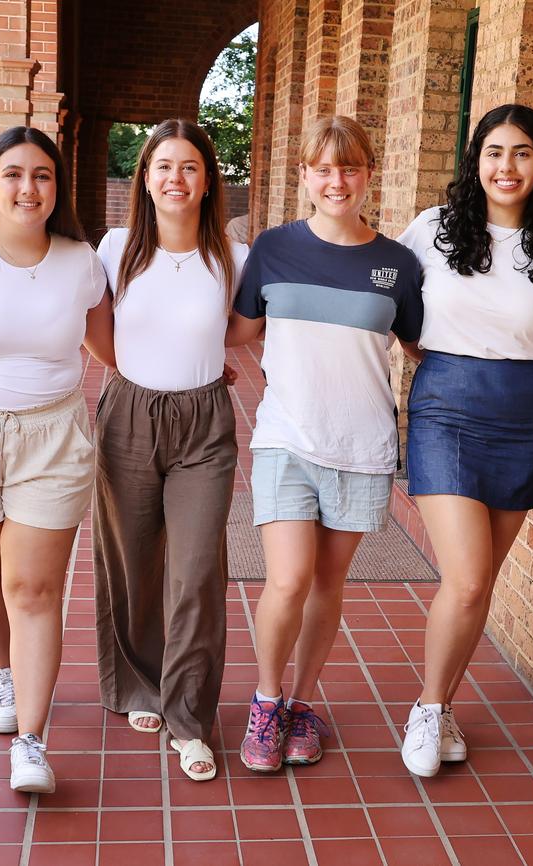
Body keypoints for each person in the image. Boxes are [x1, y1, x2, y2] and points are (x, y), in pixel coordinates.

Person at [226, 115, 423, 771]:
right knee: (286, 580)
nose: (336, 180)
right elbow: (238, 330)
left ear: (369, 173)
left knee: (328, 585)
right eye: (323, 168)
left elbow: (422, 349)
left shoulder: (397, 264)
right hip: (285, 438)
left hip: (362, 446)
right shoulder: (274, 249)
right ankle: (266, 699)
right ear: (304, 175)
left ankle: (304, 704)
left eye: (349, 167)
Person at [397, 103, 533, 777]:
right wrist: (436, 360)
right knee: (469, 578)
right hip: (446, 408)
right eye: (494, 152)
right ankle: (426, 709)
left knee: (482, 585)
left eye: (522, 153)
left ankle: (442, 707)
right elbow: (393, 304)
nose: (506, 167)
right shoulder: (434, 230)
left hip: (521, 417)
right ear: (475, 162)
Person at [0, 127, 114, 793]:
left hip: (53, 437)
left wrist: (200, 371)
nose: (28, 187)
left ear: (56, 188)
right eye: (13, 174)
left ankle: (31, 743)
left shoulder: (79, 261)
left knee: (33, 590)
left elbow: (113, 352)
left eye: (42, 175)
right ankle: (5, 674)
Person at [93, 119, 247, 782]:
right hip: (129, 412)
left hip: (204, 424)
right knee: (130, 560)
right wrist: (141, 378)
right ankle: (137, 685)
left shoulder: (231, 257)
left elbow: (241, 328)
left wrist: (206, 366)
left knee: (194, 571)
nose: (176, 178)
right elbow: (99, 335)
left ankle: (189, 716)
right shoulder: (115, 248)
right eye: (163, 166)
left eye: (189, 166)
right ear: (145, 178)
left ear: (208, 179)